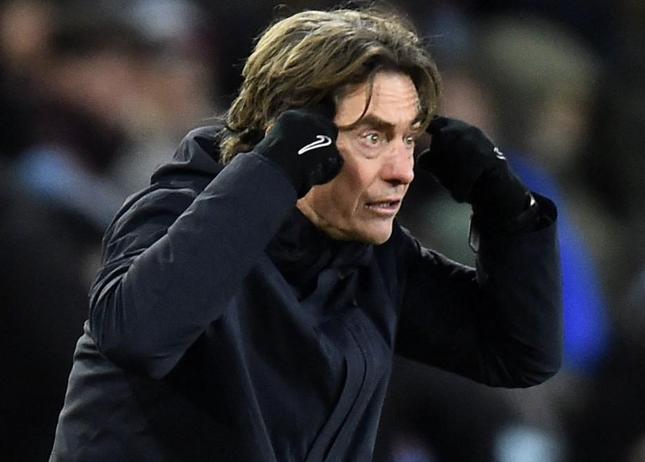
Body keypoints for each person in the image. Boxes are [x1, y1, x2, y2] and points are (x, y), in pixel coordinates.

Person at [50, 7, 561, 461]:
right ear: (299, 134)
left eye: (408, 139)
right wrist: (272, 170)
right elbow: (137, 335)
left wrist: (507, 212)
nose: (403, 170)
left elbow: (517, 353)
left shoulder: (373, 258)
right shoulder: (177, 208)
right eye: (373, 136)